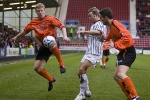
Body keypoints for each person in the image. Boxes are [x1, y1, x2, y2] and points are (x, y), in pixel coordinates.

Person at [12, 3, 70, 91]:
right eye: (38, 11)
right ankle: (51, 79)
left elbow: (62, 26)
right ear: (36, 12)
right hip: (44, 45)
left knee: (51, 44)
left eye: (41, 11)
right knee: (37, 68)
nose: (40, 12)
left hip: (53, 41)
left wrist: (65, 36)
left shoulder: (50, 18)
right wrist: (17, 36)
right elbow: (25, 31)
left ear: (44, 10)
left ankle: (62, 65)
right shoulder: (33, 22)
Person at [99, 8, 142, 100]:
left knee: (120, 74)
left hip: (128, 51)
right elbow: (111, 35)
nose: (101, 19)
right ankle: (130, 97)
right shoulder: (111, 26)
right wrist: (105, 38)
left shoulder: (116, 24)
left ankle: (136, 97)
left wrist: (115, 44)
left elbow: (127, 37)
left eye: (102, 18)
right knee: (116, 76)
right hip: (123, 52)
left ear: (106, 17)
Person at [74, 7, 107, 100]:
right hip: (89, 52)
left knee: (82, 69)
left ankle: (82, 94)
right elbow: (101, 35)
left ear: (96, 15)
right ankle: (87, 90)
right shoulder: (93, 25)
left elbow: (98, 32)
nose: (89, 18)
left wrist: (83, 31)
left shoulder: (100, 23)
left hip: (95, 53)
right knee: (79, 73)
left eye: (90, 16)